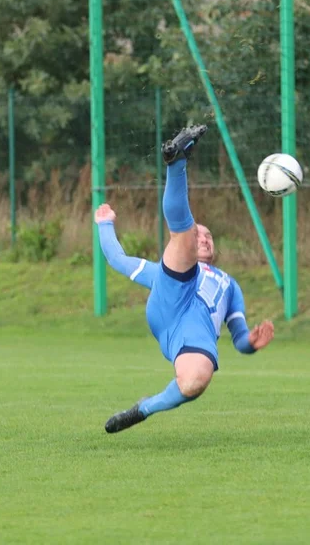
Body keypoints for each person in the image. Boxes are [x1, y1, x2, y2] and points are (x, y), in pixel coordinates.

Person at [98, 123, 275, 434]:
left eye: (208, 236)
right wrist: (105, 225)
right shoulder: (168, 266)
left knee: (194, 383)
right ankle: (177, 161)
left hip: (195, 334)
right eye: (200, 234)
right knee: (183, 235)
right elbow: (117, 259)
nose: (203, 238)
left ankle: (143, 409)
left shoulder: (229, 285)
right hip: (171, 297)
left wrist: (252, 343)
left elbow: (239, 338)